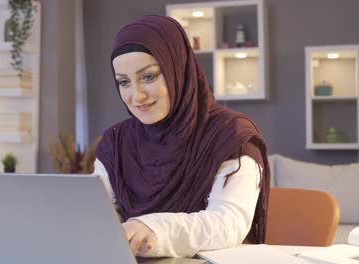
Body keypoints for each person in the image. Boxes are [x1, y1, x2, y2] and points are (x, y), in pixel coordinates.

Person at [94, 15, 270, 258]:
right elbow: (99, 215)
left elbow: (228, 223)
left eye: (148, 77)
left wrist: (153, 228)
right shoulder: (115, 143)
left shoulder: (231, 135)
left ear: (177, 68)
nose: (137, 95)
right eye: (124, 82)